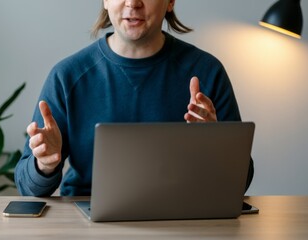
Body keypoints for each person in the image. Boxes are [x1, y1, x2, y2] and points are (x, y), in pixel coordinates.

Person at [15, 0, 254, 196]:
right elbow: (27, 185)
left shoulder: (207, 72)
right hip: (87, 220)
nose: (133, 3)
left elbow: (240, 181)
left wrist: (217, 147)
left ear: (170, 2)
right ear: (105, 1)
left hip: (183, 219)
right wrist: (44, 164)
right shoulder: (67, 76)